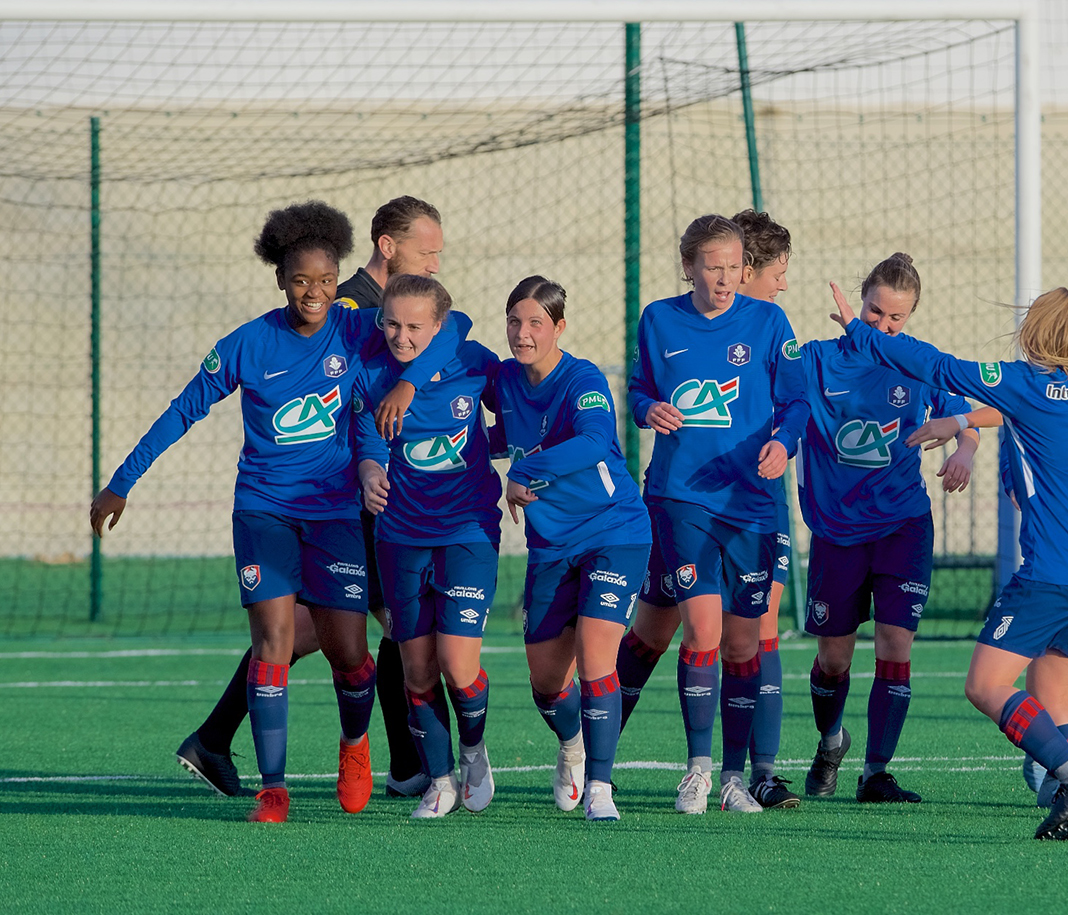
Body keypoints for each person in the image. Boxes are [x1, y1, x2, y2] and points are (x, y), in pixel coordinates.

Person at [91, 201, 463, 823]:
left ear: (336, 276)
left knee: (349, 653)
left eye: (324, 280)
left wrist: (397, 403)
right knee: (273, 642)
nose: (314, 292)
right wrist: (121, 482)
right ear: (280, 280)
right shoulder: (246, 343)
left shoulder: (357, 328)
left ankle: (355, 744)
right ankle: (273, 789)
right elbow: (183, 409)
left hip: (336, 516)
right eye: (301, 281)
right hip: (263, 511)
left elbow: (447, 331)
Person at [828, 247, 1068, 840]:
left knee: (984, 685)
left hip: (1055, 570)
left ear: (1033, 331)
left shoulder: (1025, 384)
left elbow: (934, 364)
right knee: (1053, 692)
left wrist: (859, 330)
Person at [616, 209, 800, 809]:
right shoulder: (659, 319)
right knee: (699, 631)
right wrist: (647, 410)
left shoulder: (770, 321)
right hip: (680, 497)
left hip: (751, 505)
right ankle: (691, 769)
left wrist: (782, 441)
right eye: (713, 267)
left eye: (734, 268)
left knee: (745, 645)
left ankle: (736, 778)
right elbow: (640, 388)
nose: (725, 279)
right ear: (689, 267)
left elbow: (795, 402)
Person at [799, 253, 980, 805]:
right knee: (835, 658)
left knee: (896, 644)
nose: (883, 326)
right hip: (837, 530)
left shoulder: (917, 366)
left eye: (896, 319)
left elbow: (967, 421)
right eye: (875, 312)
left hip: (902, 525)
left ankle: (876, 772)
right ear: (861, 300)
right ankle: (831, 742)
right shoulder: (817, 361)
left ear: (911, 318)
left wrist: (965, 451)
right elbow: (774, 406)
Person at [496, 276, 652, 822]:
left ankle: (601, 790)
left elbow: (591, 443)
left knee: (595, 656)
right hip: (550, 545)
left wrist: (521, 470)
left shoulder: (582, 379)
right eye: (515, 321)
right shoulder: (504, 380)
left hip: (615, 531)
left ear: (559, 327)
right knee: (544, 682)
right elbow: (489, 425)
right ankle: (573, 746)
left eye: (535, 322)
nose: (523, 332)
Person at [354, 274, 502, 818]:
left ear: (438, 327)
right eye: (391, 323)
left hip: (467, 532)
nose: (401, 336)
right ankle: (440, 780)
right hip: (400, 538)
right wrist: (371, 474)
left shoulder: (474, 361)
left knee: (458, 666)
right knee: (416, 670)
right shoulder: (370, 374)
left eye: (415, 326)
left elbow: (515, 405)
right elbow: (368, 443)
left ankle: (472, 749)